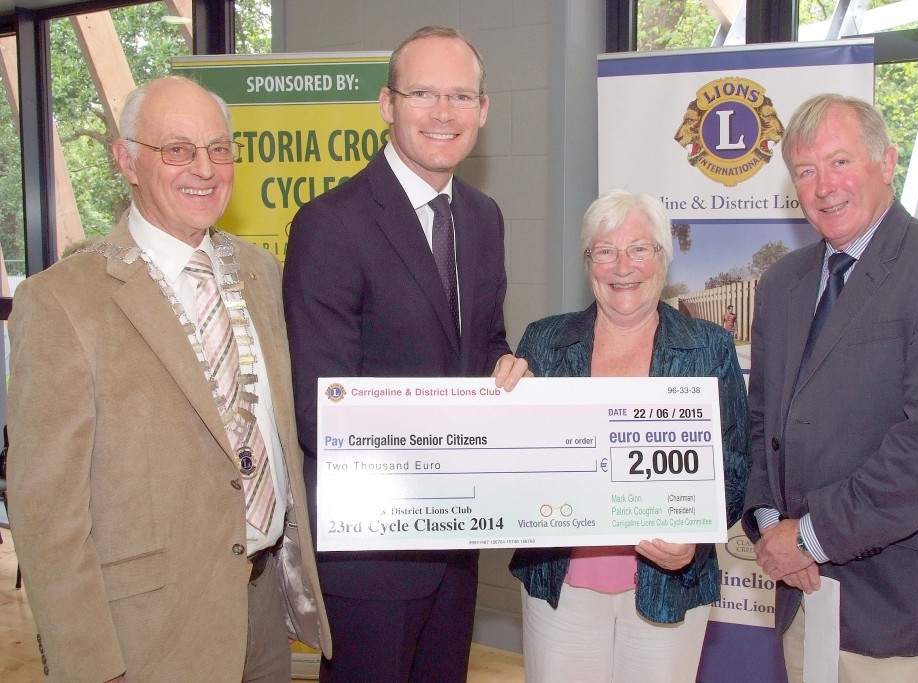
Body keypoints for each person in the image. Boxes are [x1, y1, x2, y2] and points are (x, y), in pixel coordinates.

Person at [5, 76, 330, 682]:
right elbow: (46, 511)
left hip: (263, 607)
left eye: (219, 148)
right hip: (148, 632)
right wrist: (90, 664)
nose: (204, 168)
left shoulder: (261, 274)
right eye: (177, 149)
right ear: (126, 160)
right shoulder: (62, 302)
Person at [282, 25, 528, 682]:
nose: (443, 113)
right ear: (388, 104)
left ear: (483, 110)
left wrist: (505, 370)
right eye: (423, 93)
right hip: (373, 558)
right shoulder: (330, 225)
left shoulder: (483, 218)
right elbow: (321, 410)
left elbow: (482, 343)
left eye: (459, 95)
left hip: (456, 548)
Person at [742, 93, 918, 682]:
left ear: (887, 163)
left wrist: (809, 536)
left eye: (839, 162)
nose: (823, 185)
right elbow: (762, 421)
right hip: (799, 590)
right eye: (805, 171)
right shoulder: (784, 282)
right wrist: (767, 522)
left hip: (892, 602)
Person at [509, 189, 751, 683]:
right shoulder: (544, 342)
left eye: (639, 248)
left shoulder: (708, 348)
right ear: (588, 262)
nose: (623, 266)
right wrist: (500, 406)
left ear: (662, 258)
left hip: (667, 584)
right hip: (562, 587)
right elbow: (516, 466)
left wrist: (696, 539)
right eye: (606, 251)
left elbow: (735, 466)